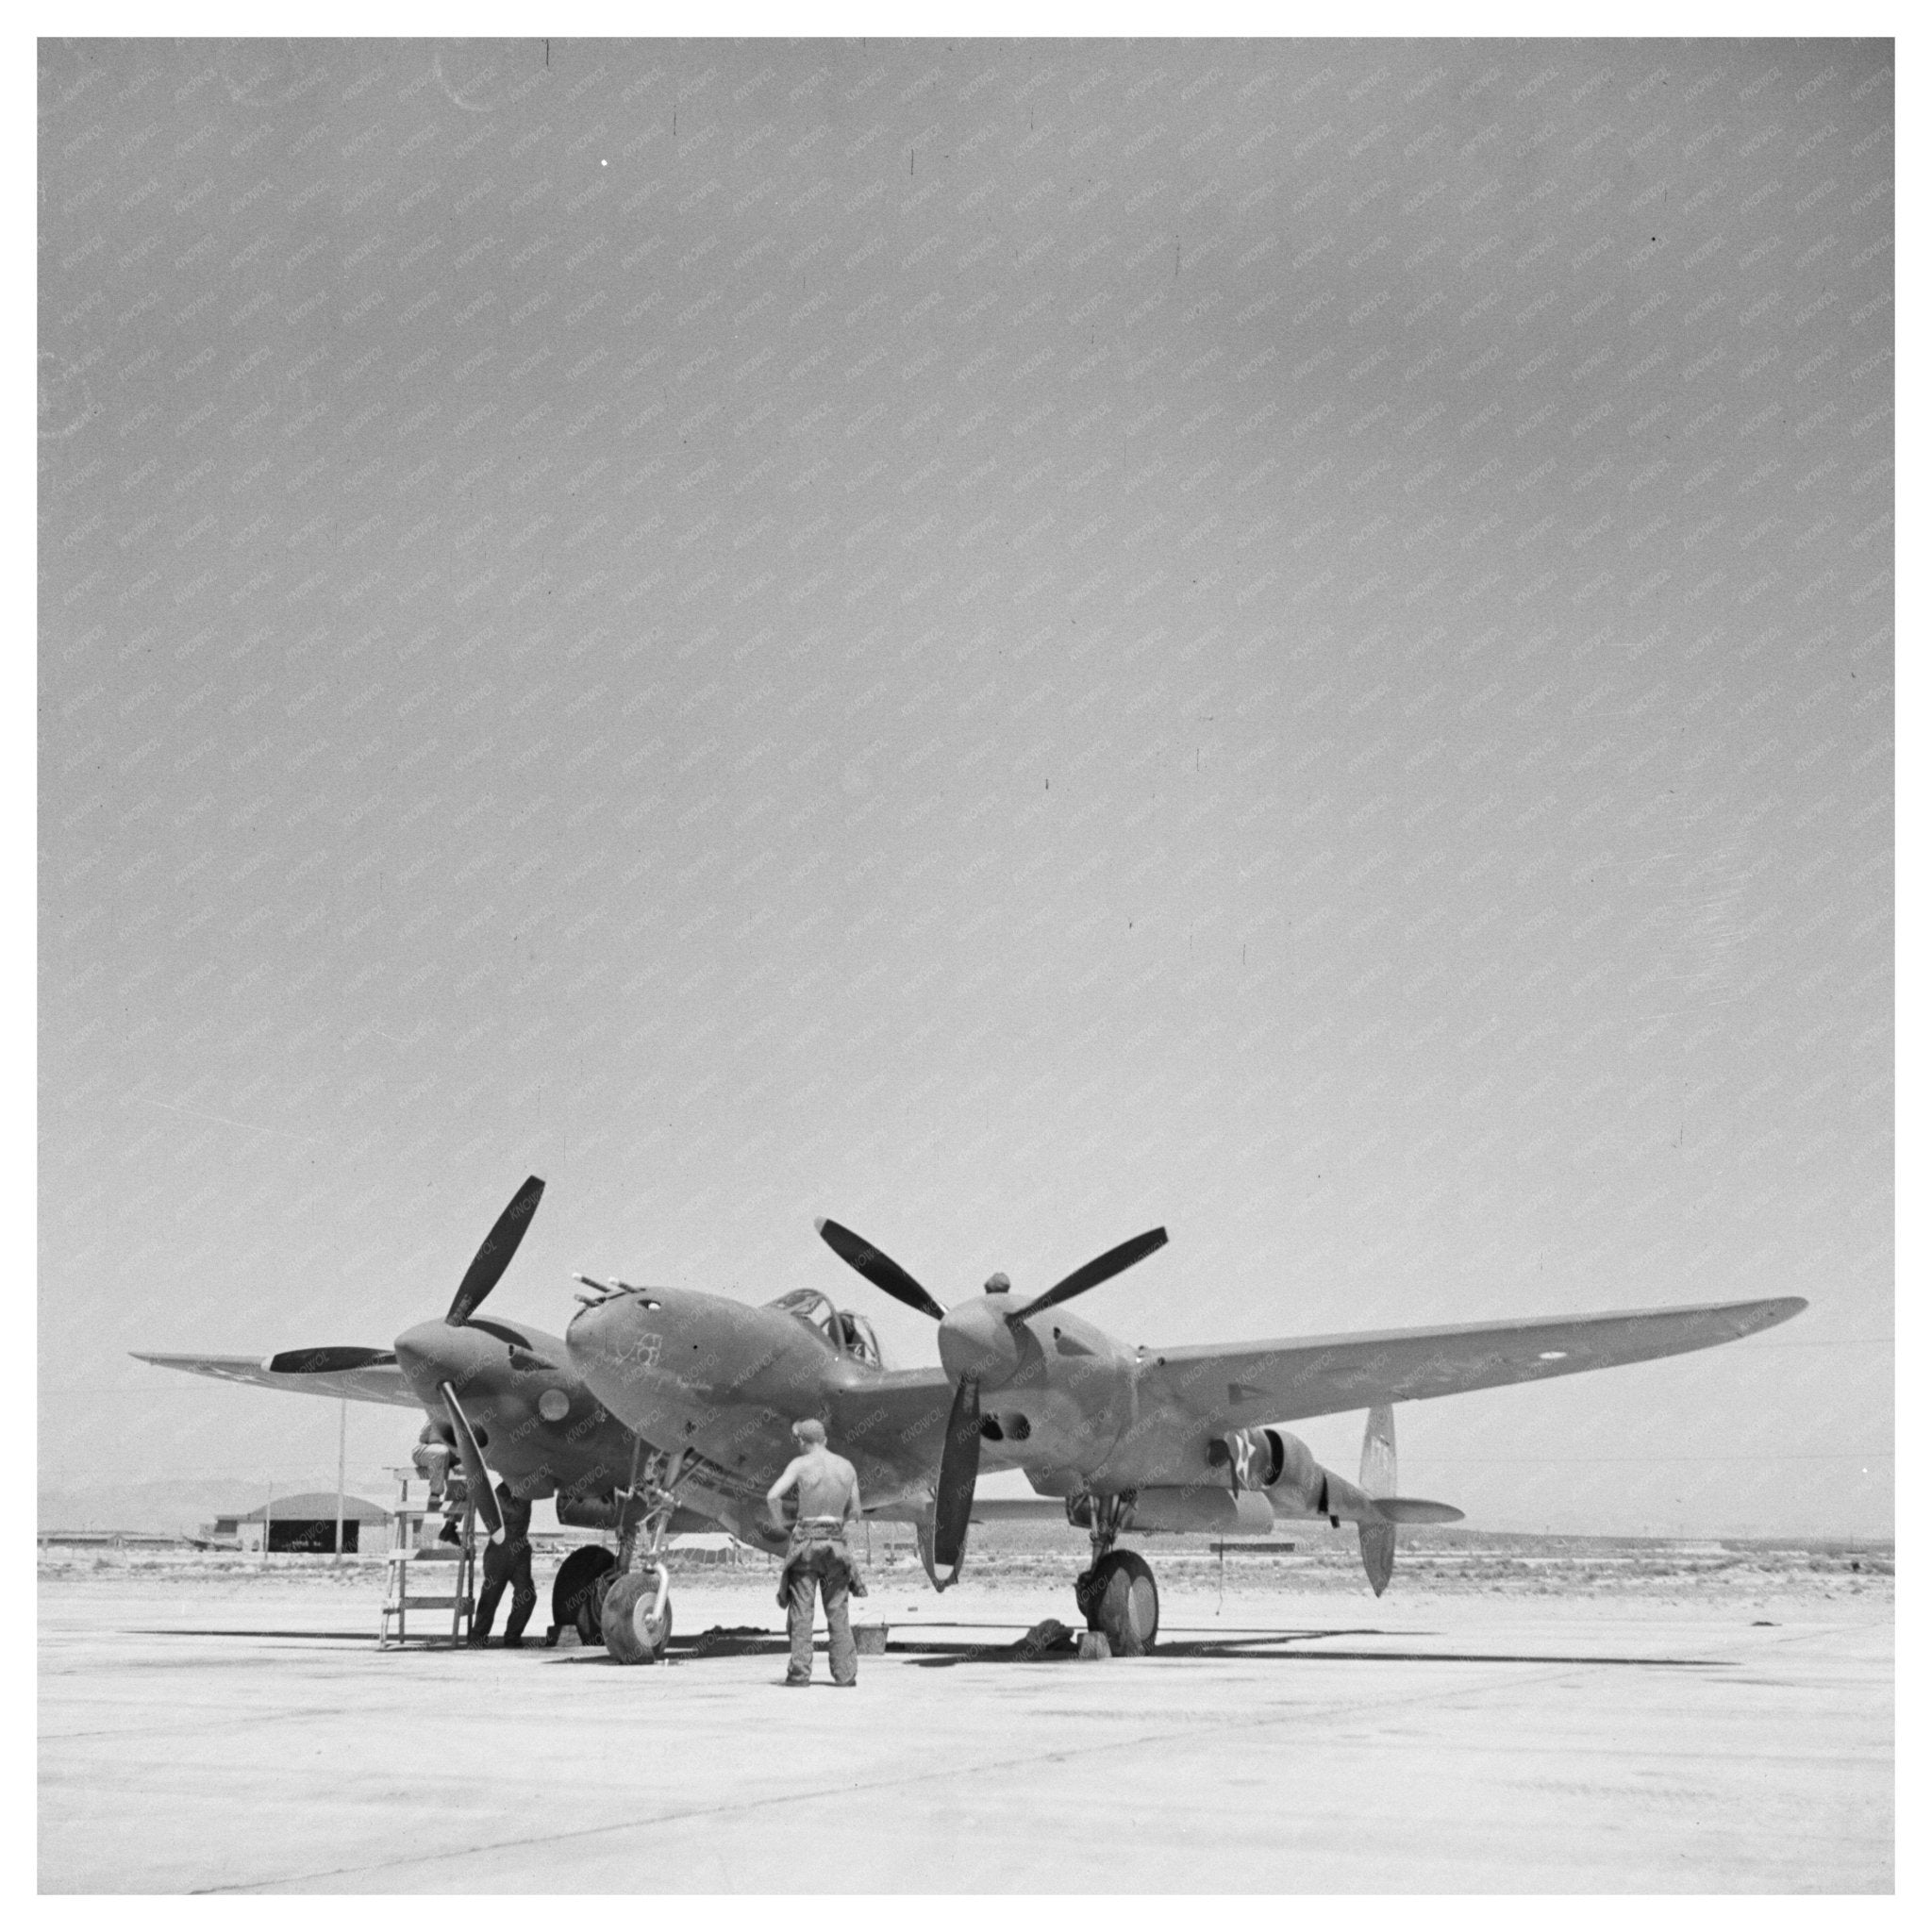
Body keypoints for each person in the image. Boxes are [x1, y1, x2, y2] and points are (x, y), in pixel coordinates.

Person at [766, 1418, 865, 1687]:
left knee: (802, 1612)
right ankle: (845, 1675)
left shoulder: (800, 1465)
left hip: (806, 1541)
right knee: (838, 1611)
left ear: (801, 1441)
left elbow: (772, 1496)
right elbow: (856, 1511)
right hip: (835, 1543)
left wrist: (781, 1524)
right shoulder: (847, 1467)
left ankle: (800, 1674)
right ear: (825, 1440)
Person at [469, 1480, 536, 1648]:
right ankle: (477, 1637)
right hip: (500, 1550)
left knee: (527, 1595)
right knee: (490, 1596)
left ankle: (512, 1636)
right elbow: (517, 1511)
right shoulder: (500, 1492)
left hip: (520, 1549)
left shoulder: (523, 1491)